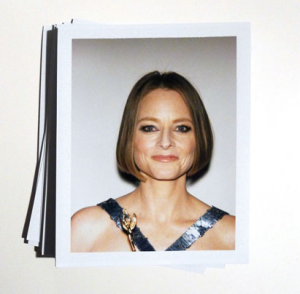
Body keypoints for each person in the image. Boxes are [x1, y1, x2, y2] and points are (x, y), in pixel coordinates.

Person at [71, 71, 235, 252]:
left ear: (199, 138)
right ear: (130, 138)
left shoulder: (232, 235)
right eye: (150, 128)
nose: (165, 142)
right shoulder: (85, 230)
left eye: (181, 128)